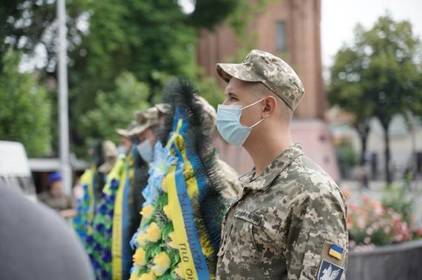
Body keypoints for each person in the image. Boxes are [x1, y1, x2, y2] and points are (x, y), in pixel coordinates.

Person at [215, 49, 348, 280]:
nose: (223, 105)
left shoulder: (313, 193)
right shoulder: (248, 184)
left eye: (233, 98)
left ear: (267, 107)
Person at [0, 184, 94, 280]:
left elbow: (75, 210)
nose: (58, 190)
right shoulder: (44, 198)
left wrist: (63, 214)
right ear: (51, 188)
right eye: (56, 188)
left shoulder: (66, 198)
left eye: (59, 187)